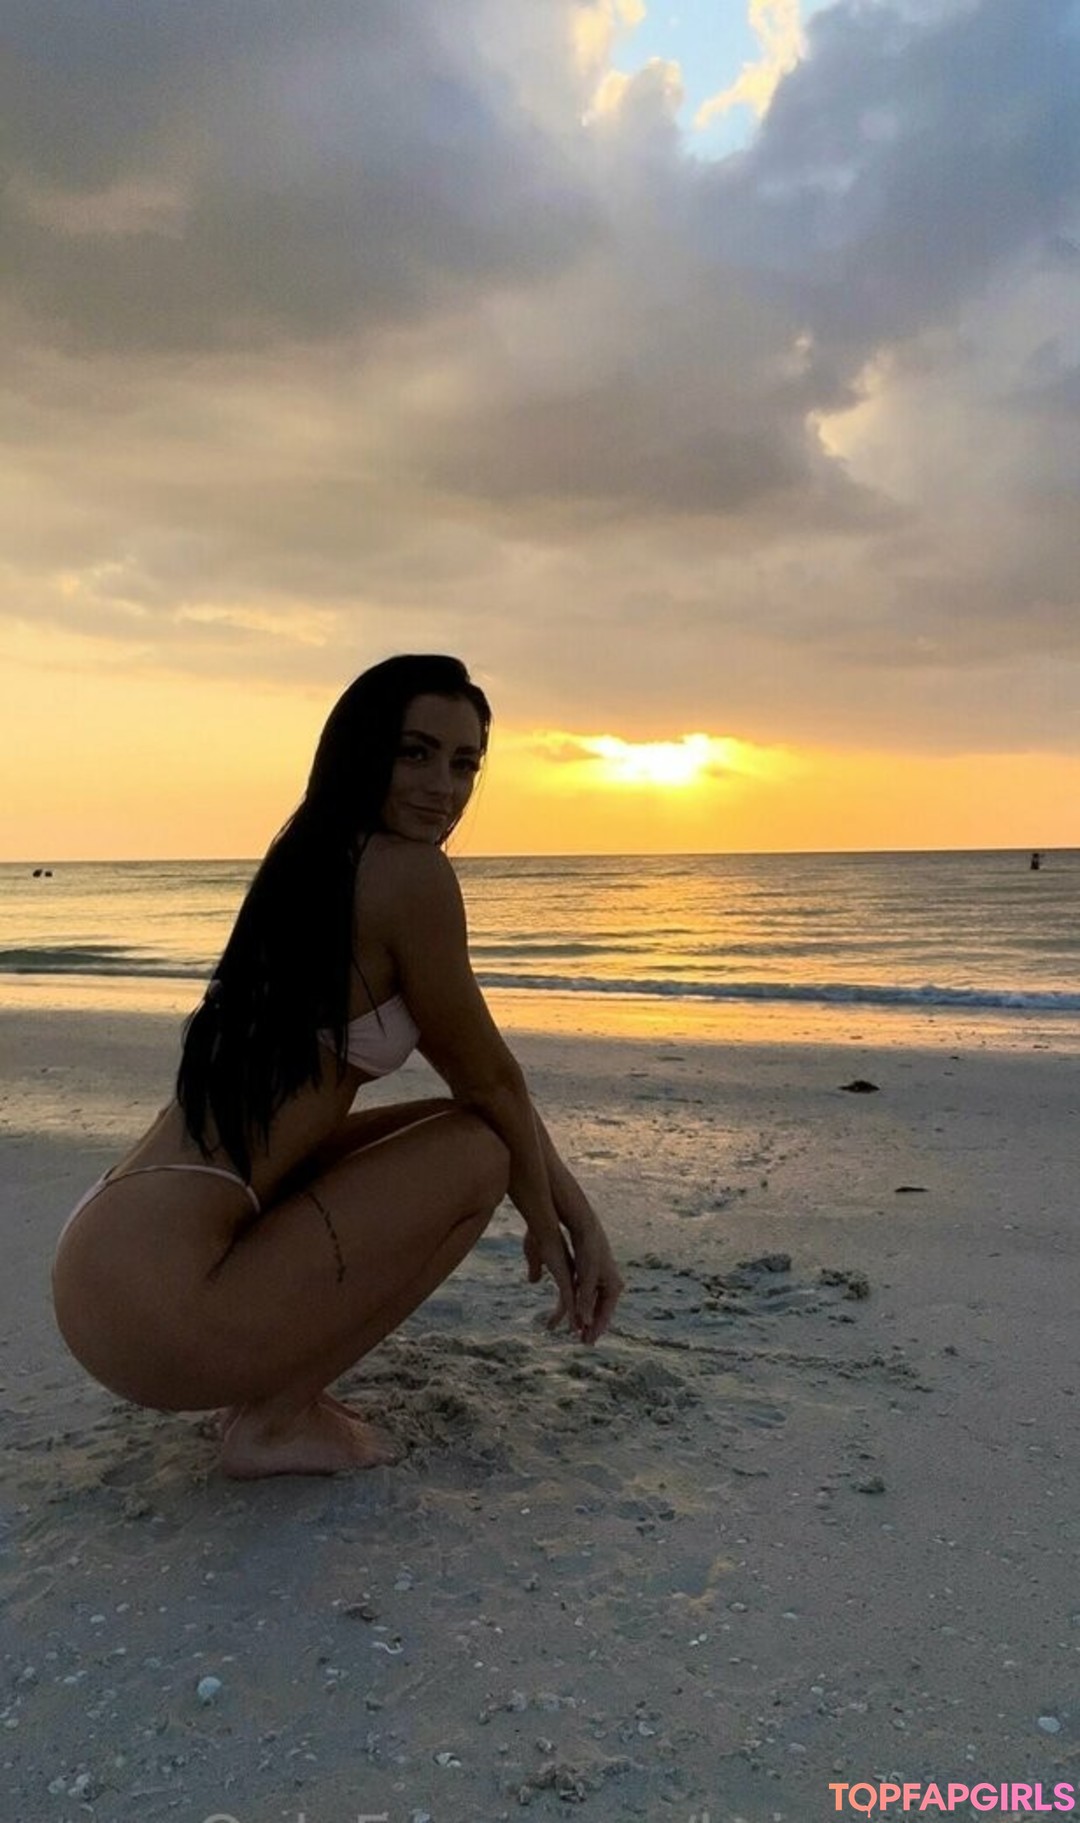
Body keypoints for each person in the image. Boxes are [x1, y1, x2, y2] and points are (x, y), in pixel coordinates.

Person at [51, 655, 624, 1478]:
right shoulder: (409, 875)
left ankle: (267, 1395)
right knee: (482, 1152)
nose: (444, 786)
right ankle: (275, 1418)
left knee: (474, 1133)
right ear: (364, 751)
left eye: (465, 764)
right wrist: (559, 1222)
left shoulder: (314, 861)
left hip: (106, 1253)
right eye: (416, 753)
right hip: (165, 1297)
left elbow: (483, 1088)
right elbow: (495, 1086)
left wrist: (568, 1211)